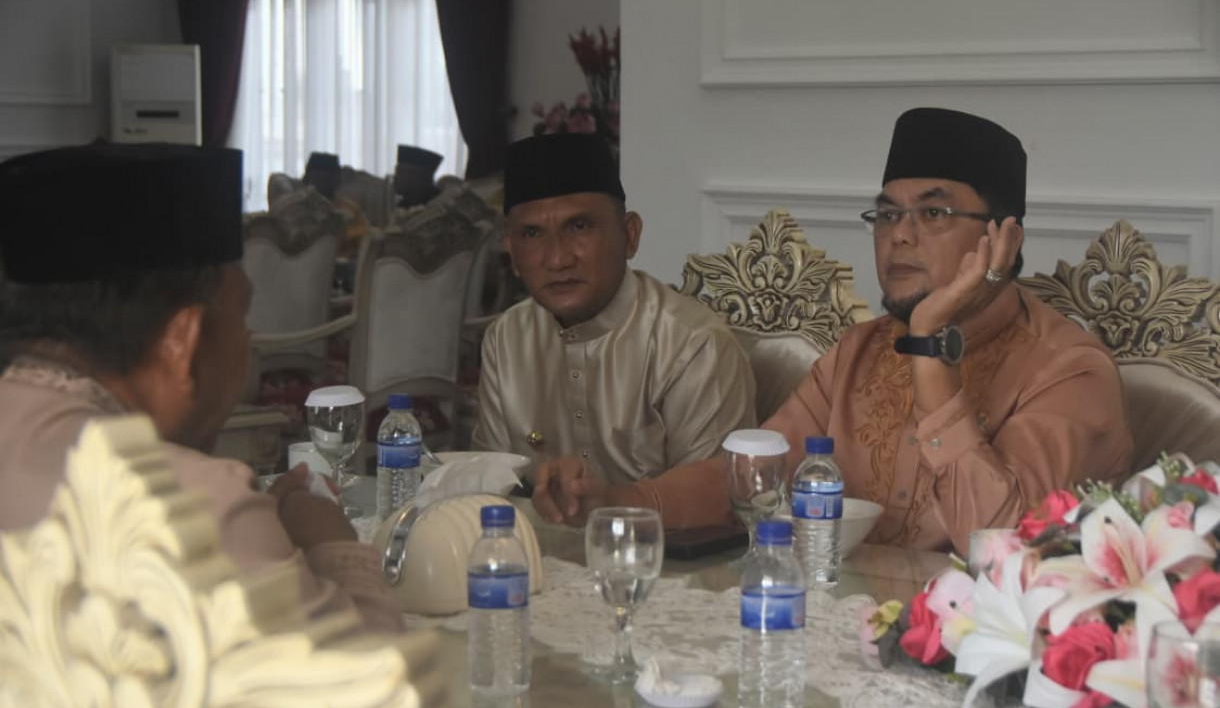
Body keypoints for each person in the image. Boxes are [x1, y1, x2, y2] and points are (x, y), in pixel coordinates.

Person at [545, 108, 1133, 554]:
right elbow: (755, 483)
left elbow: (1001, 545)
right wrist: (617, 502)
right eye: (886, 214)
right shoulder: (861, 350)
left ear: (1004, 239)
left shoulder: (1069, 372)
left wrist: (930, 344)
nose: (899, 235)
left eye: (933, 213)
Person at [0, 143, 402, 631]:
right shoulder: (201, 509)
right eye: (242, 316)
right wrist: (330, 543)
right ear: (182, 341)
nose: (247, 339)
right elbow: (383, 691)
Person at [472, 133, 757, 526]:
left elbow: (717, 506)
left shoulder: (692, 345)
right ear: (513, 254)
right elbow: (490, 489)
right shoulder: (505, 340)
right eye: (533, 234)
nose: (557, 258)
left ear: (630, 235)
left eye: (580, 226)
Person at [393, 144, 443, 208]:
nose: (395, 177)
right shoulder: (402, 205)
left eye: (400, 172)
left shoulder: (437, 208)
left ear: (418, 177)